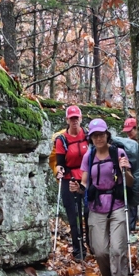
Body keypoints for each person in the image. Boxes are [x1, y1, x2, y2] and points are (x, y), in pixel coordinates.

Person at [81, 118, 134, 276]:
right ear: (91, 138)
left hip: (118, 205)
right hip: (96, 207)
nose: (98, 138)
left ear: (107, 134)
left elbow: (130, 182)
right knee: (101, 251)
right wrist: (77, 187)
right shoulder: (89, 156)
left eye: (101, 134)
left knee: (117, 250)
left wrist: (125, 170)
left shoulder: (118, 153)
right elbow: (84, 182)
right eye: (95, 136)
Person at [55, 105, 89, 260]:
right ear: (67, 120)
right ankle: (78, 249)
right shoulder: (61, 140)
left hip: (87, 178)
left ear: (81, 118)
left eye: (77, 118)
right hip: (69, 179)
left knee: (89, 213)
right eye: (72, 118)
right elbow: (60, 162)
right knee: (73, 215)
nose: (74, 121)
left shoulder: (88, 136)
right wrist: (58, 170)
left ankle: (92, 244)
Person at [112, 117, 139, 231]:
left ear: (137, 129)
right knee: (131, 203)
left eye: (130, 131)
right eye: (127, 132)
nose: (129, 134)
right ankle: (131, 227)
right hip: (131, 178)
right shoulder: (128, 145)